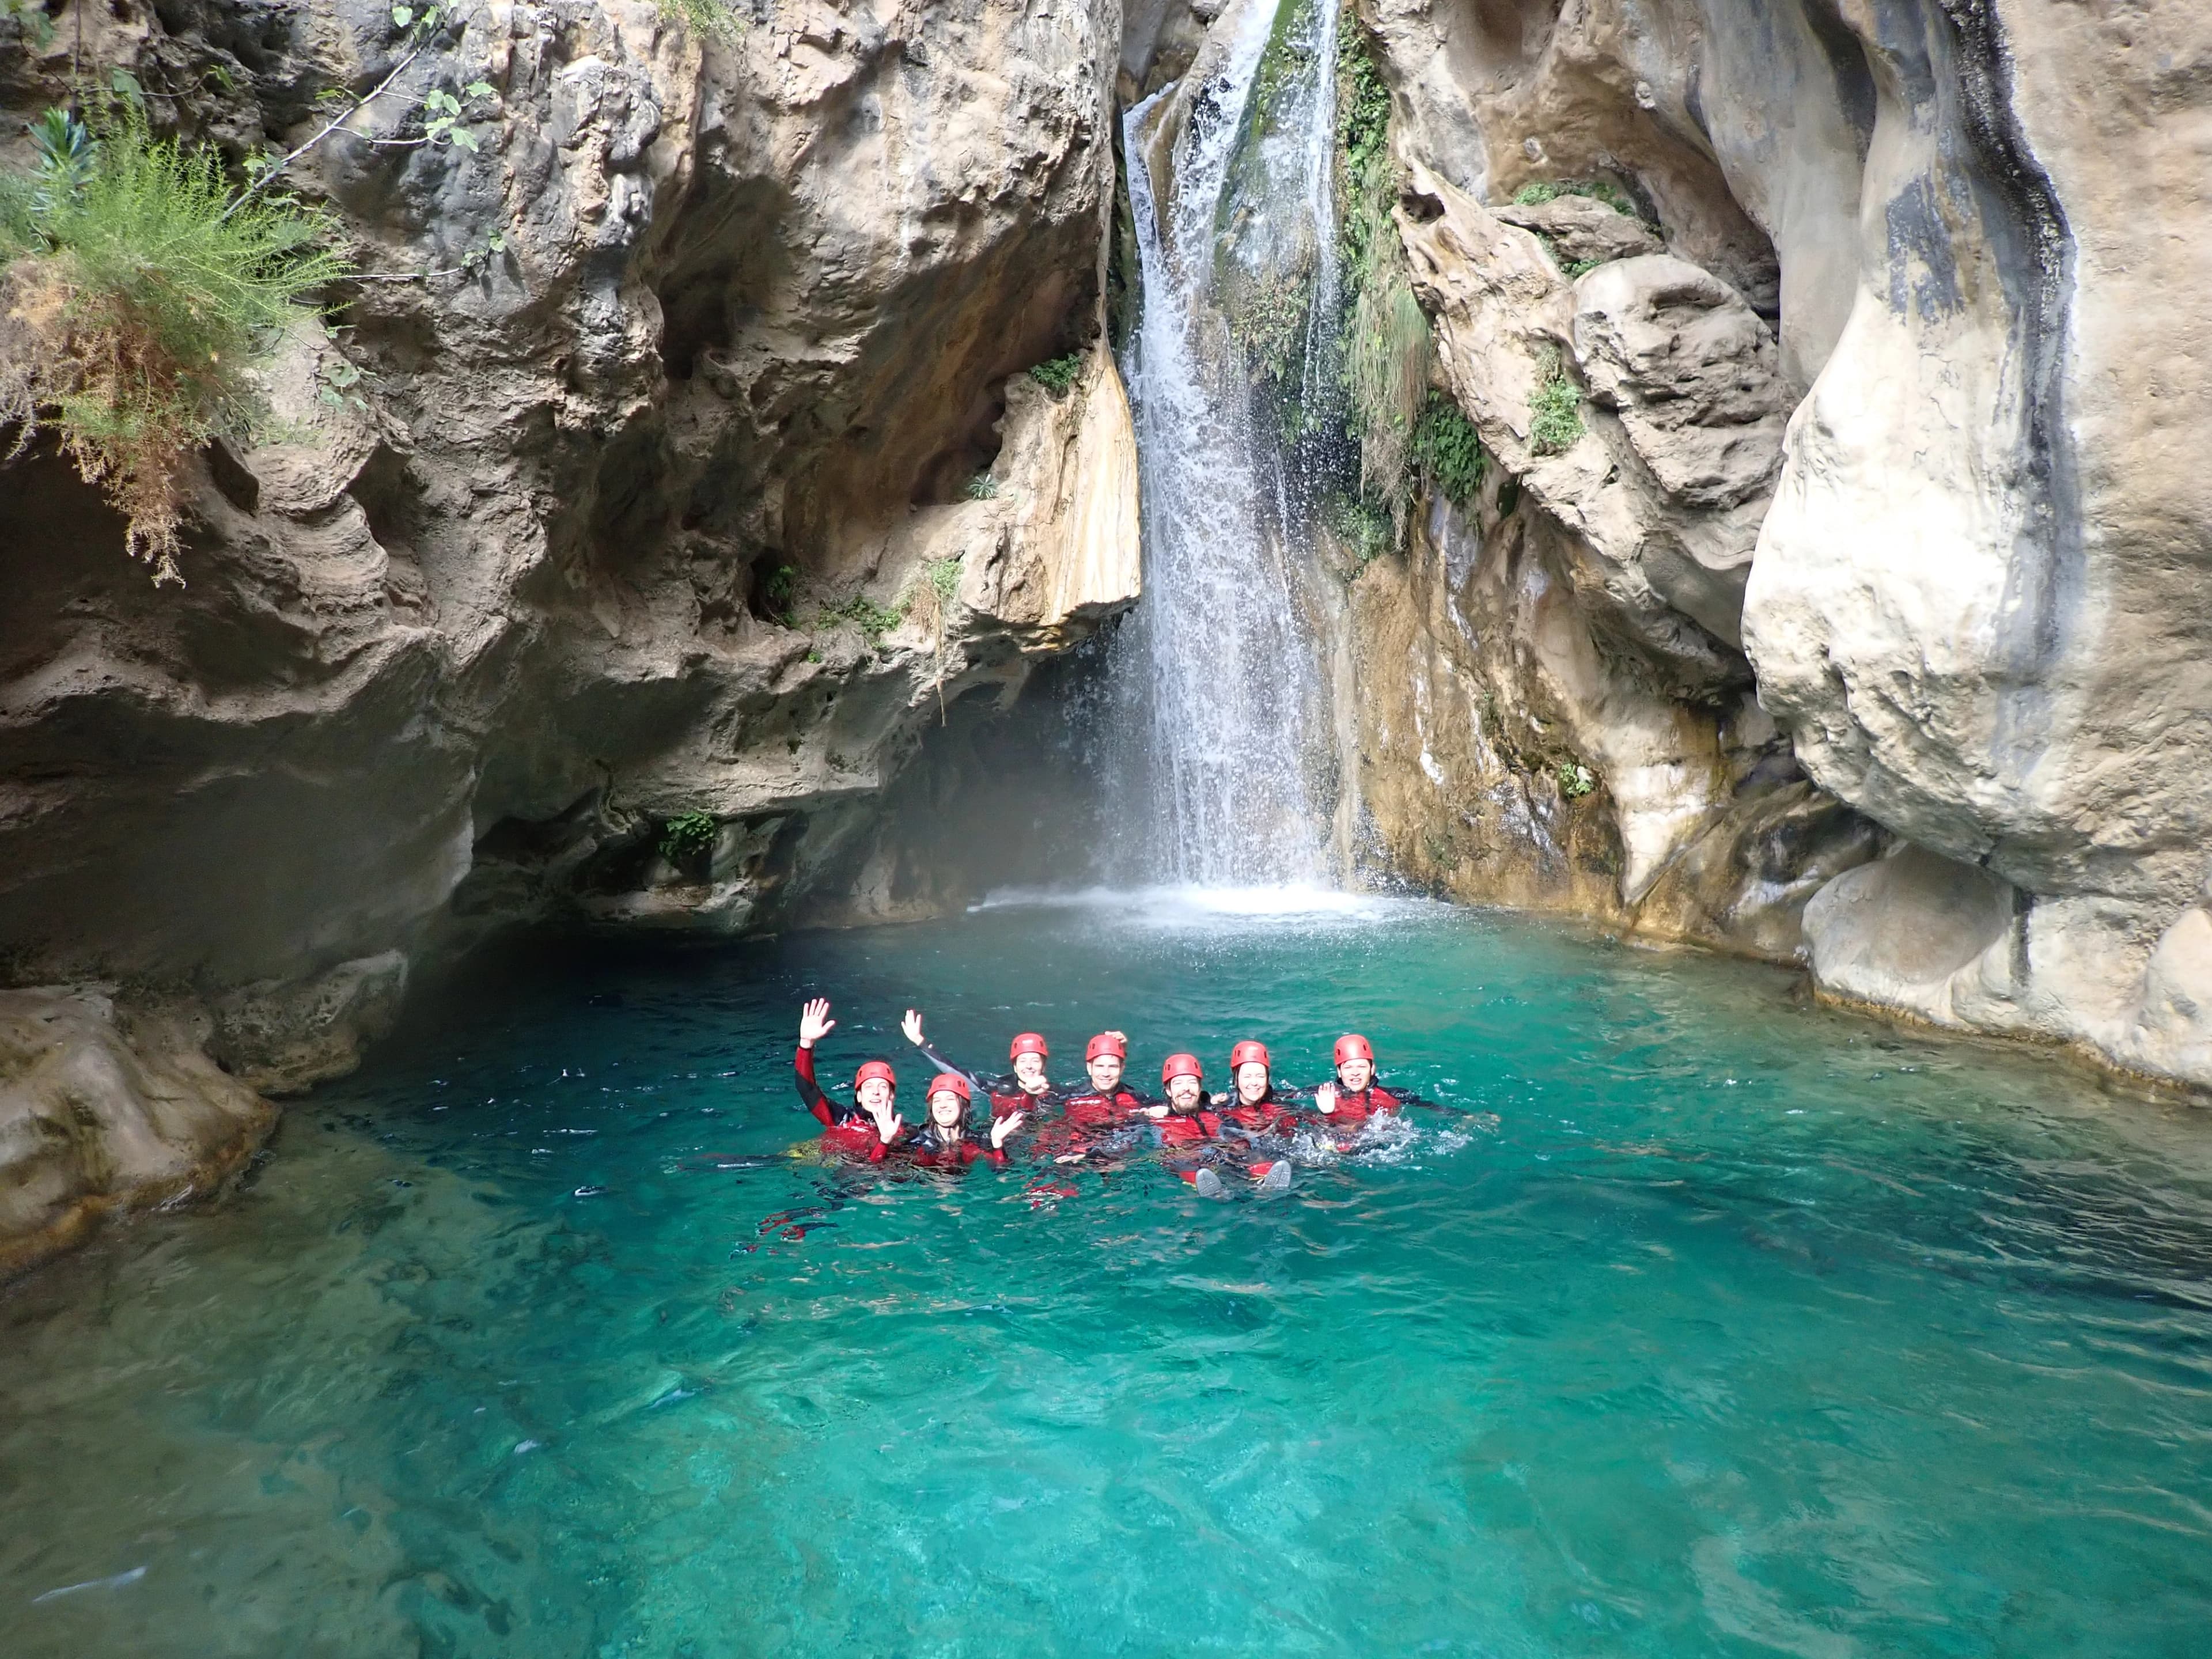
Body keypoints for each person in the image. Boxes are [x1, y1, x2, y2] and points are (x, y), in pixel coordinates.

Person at [793, 997, 902, 1158]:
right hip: (830, 1169)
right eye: (869, 1087)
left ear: (892, 1095)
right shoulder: (840, 1118)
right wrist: (806, 1044)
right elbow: (806, 1088)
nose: (876, 1092)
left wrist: (886, 1141)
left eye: (883, 1087)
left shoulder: (903, 1133)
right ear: (859, 1095)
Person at [901, 1010, 1056, 1121]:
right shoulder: (998, 1088)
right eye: (1023, 1061)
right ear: (1015, 1067)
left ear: (1043, 1067)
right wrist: (920, 1042)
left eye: (1035, 1061)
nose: (1028, 1066)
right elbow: (954, 1072)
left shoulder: (1056, 1093)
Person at [888, 1072, 1025, 1169]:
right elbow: (888, 1173)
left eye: (950, 1099)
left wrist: (997, 1145)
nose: (942, 1105)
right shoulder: (917, 1143)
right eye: (937, 1101)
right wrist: (884, 1142)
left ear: (964, 1106)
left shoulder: (979, 1141)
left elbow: (1002, 1176)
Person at [1217, 1039, 1296, 1191]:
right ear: (1236, 1080)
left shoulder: (1279, 1102)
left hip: (1279, 1159)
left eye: (1260, 1076)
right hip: (1239, 1165)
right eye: (1247, 1077)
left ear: (1268, 1079)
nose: (1254, 1083)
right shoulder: (1222, 1107)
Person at [1152, 1052, 1233, 1196]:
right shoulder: (1159, 1120)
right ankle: (1208, 1189)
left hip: (1220, 1160)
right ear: (1169, 1091)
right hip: (1186, 1166)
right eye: (1178, 1083)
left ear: (1200, 1087)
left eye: (1192, 1082)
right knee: (1181, 1162)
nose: (1186, 1088)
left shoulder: (1215, 1113)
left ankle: (1261, 1182)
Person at [1312, 1033, 1402, 1127]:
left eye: (1362, 1067)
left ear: (1372, 1069)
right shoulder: (1324, 1094)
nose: (1355, 1073)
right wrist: (1326, 1114)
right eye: (1348, 1068)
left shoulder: (1394, 1096)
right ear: (1339, 1072)